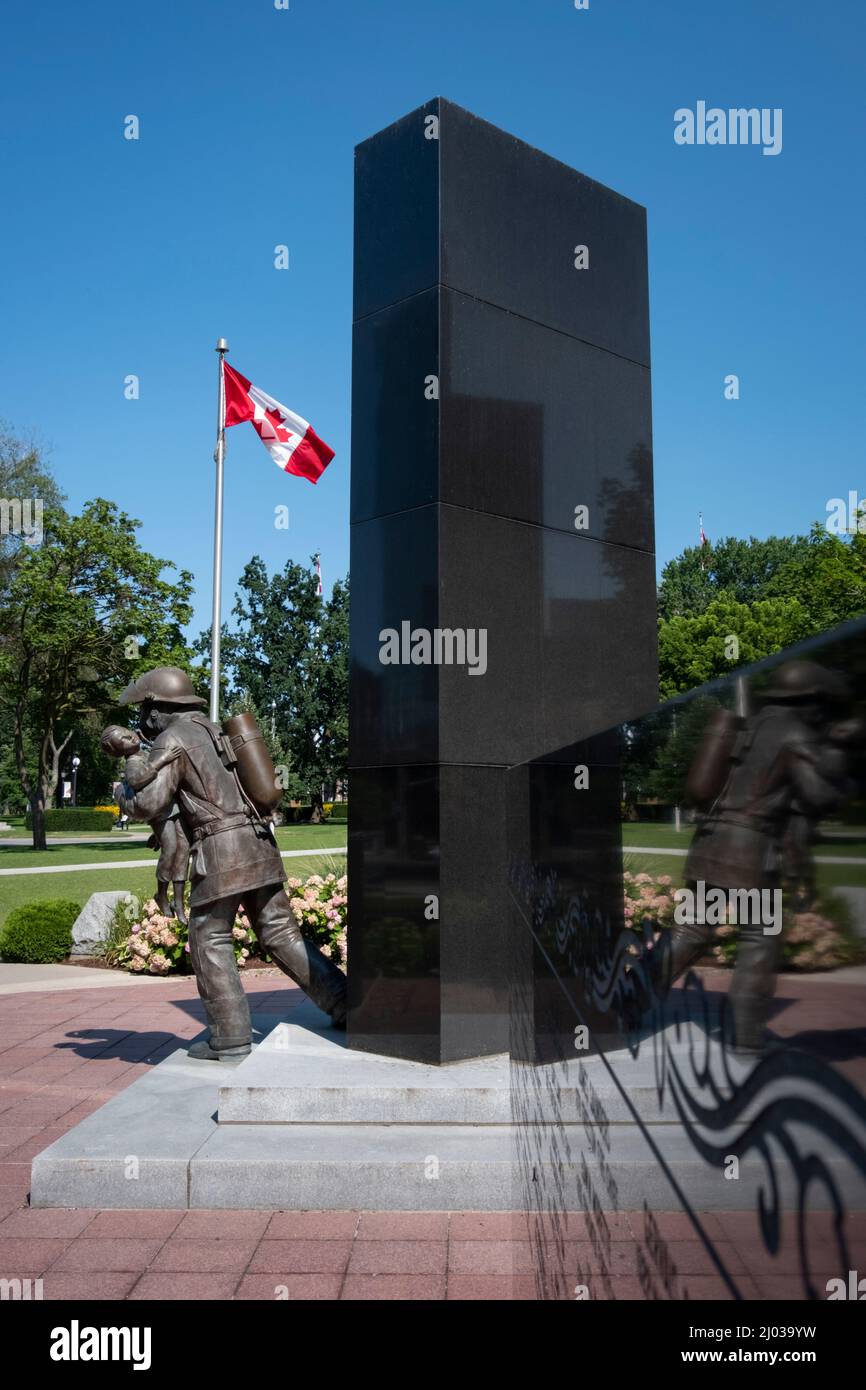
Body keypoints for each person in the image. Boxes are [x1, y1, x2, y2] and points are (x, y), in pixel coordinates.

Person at [115, 667, 347, 1060]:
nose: (142, 717)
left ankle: (230, 1035)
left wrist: (122, 793)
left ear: (155, 710)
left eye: (144, 708)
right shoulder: (211, 728)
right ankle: (344, 1003)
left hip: (222, 852)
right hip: (259, 842)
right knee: (280, 932)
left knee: (208, 937)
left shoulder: (171, 739)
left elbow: (150, 803)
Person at [668, 660, 855, 1053]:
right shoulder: (795, 732)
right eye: (822, 706)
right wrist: (840, 750)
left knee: (689, 933)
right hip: (750, 856)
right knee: (761, 940)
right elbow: (817, 797)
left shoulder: (752, 725)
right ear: (810, 701)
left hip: (708, 846)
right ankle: (747, 1041)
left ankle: (625, 1001)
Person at [101, 725, 191, 925]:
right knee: (171, 849)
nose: (129, 738)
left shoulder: (145, 750)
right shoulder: (132, 762)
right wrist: (163, 759)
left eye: (127, 733)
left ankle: (178, 901)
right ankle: (161, 894)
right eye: (123, 741)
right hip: (159, 812)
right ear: (119, 751)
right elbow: (137, 780)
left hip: (172, 805)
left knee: (183, 849)